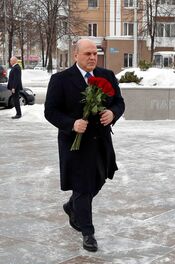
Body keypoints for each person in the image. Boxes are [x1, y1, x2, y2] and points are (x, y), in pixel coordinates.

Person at [44, 39, 125, 252]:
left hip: (101, 142)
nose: (92, 57)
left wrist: (113, 113)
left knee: (99, 179)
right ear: (76, 55)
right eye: (87, 53)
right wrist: (71, 124)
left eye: (95, 53)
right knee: (82, 187)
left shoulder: (106, 76)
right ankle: (87, 232)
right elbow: (50, 111)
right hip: (75, 144)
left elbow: (119, 102)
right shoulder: (61, 79)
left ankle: (71, 206)